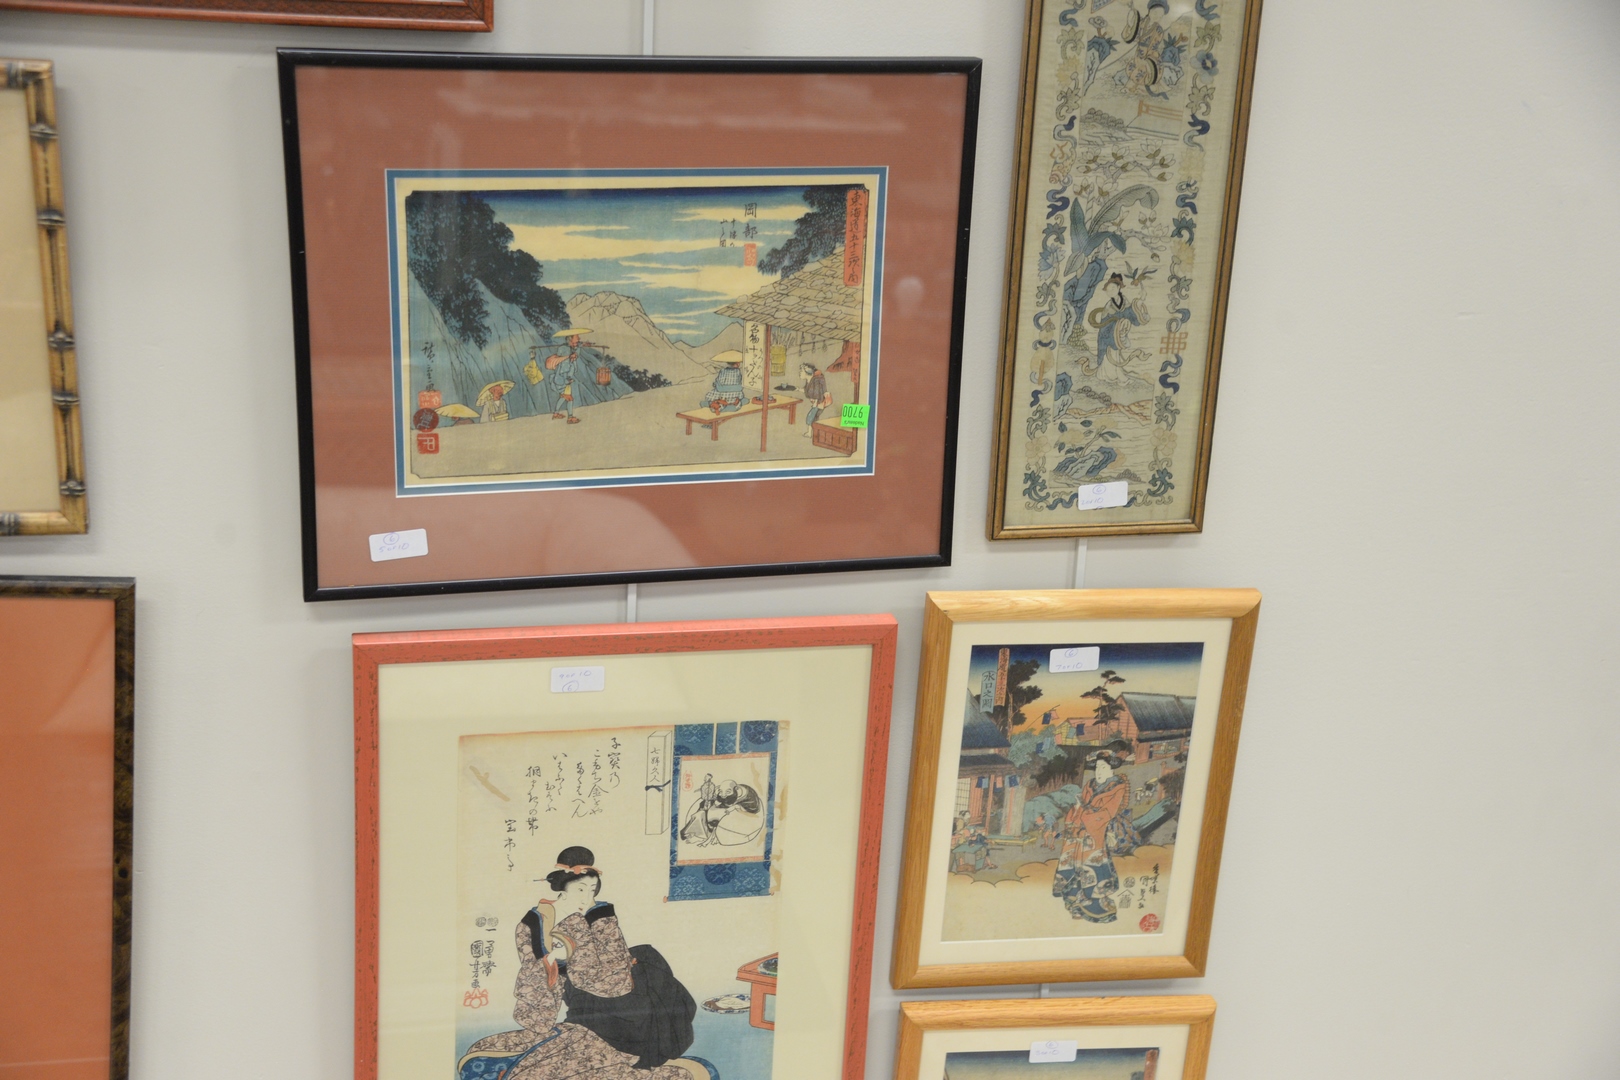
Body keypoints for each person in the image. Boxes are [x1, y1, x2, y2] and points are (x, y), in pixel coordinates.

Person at [458, 847, 698, 1079]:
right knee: (487, 1047)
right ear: (563, 887)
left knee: (546, 1067)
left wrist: (575, 953)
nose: (587, 897)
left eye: (593, 889)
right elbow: (532, 974)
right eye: (581, 889)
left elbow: (614, 977)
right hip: (582, 1009)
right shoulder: (533, 922)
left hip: (625, 1007)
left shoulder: (600, 915)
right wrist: (551, 963)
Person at [1052, 756, 1142, 923]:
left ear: (1111, 769)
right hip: (1082, 829)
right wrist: (1076, 812)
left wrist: (1086, 818)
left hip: (1099, 829)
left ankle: (1095, 908)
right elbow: (1080, 807)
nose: (1099, 771)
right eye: (1097, 767)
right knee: (1071, 862)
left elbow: (1108, 812)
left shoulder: (1117, 787)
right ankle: (1075, 905)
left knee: (1092, 866)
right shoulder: (1090, 785)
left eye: (1103, 767)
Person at [1087, 274, 1147, 385]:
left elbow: (1130, 312)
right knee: (1109, 356)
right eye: (1108, 290)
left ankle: (1116, 375)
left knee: (1116, 354)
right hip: (1107, 335)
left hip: (1118, 333)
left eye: (1113, 288)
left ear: (1119, 288)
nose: (1110, 291)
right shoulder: (1108, 305)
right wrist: (1115, 328)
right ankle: (1107, 375)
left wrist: (1141, 300)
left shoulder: (1124, 301)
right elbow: (1105, 324)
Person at [545, 328, 590, 425]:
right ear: (570, 339)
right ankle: (570, 417)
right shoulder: (565, 350)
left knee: (563, 397)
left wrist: (580, 347)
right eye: (576, 337)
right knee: (569, 398)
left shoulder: (571, 349)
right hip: (562, 378)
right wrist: (567, 379)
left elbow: (576, 353)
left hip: (565, 378)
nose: (579, 338)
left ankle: (556, 413)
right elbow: (563, 368)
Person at [799, 361, 830, 436]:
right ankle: (812, 433)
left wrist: (815, 404)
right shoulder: (809, 380)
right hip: (816, 403)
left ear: (807, 373)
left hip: (820, 402)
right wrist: (797, 389)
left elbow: (817, 393)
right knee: (813, 418)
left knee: (811, 417)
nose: (800, 373)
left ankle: (810, 433)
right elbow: (807, 390)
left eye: (801, 371)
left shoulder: (816, 380)